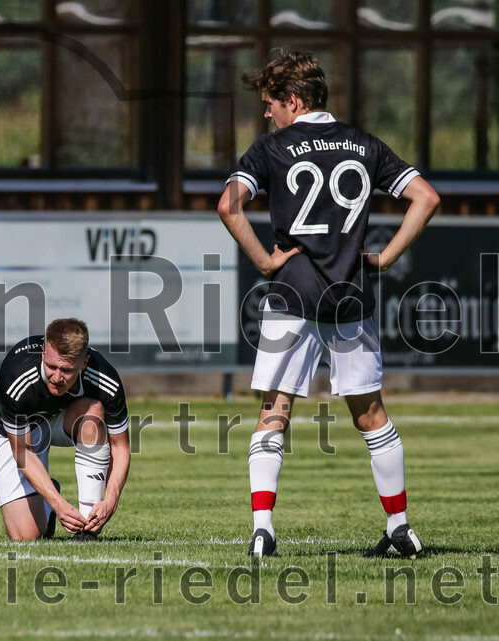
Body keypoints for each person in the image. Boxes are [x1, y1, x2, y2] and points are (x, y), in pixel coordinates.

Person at [217, 49, 439, 559]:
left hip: (292, 293)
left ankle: (262, 531)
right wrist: (383, 258)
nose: (266, 113)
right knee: (371, 414)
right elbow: (426, 197)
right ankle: (400, 528)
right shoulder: (364, 145)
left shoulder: (272, 148)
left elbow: (229, 205)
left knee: (275, 409)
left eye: (270, 102)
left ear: (293, 100)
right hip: (350, 296)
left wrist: (265, 262)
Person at [0, 318, 130, 541]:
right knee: (25, 537)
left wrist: (111, 499)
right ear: (44, 352)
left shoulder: (105, 379)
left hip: (65, 419)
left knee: (92, 414)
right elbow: (23, 452)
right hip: (23, 431)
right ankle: (48, 501)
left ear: (84, 363)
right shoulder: (17, 377)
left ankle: (87, 529)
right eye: (52, 366)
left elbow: (120, 447)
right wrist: (58, 503)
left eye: (66, 370)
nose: (57, 377)